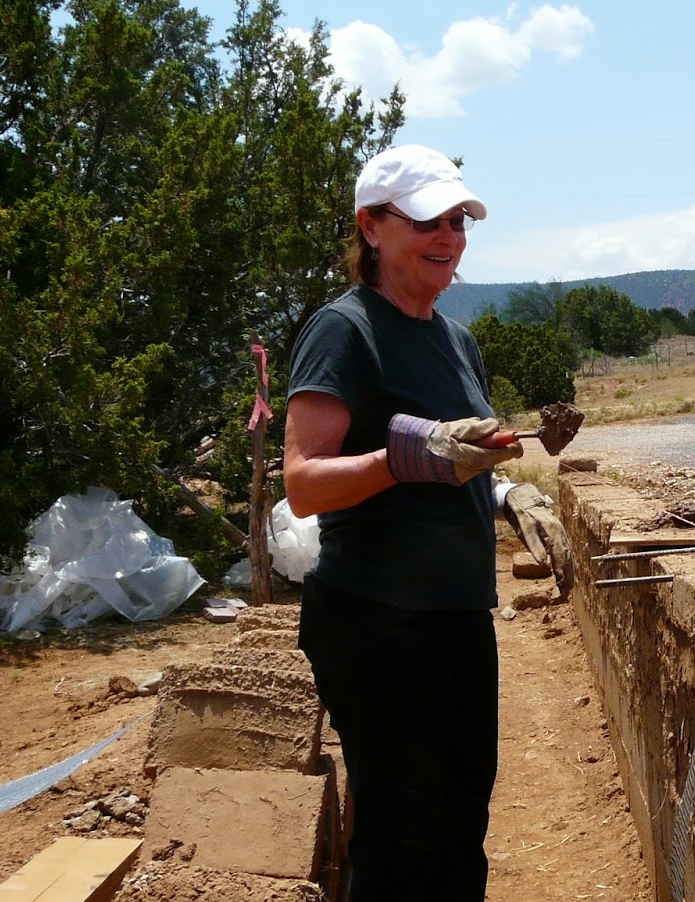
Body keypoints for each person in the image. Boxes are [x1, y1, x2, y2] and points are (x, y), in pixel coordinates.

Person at [283, 143, 522, 901]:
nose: (449, 236)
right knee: (399, 835)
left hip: (456, 615)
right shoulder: (343, 331)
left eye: (458, 220)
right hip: (377, 620)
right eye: (428, 220)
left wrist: (507, 490)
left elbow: (459, 469)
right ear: (372, 226)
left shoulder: (457, 340)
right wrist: (401, 457)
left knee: (461, 823)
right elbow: (303, 484)